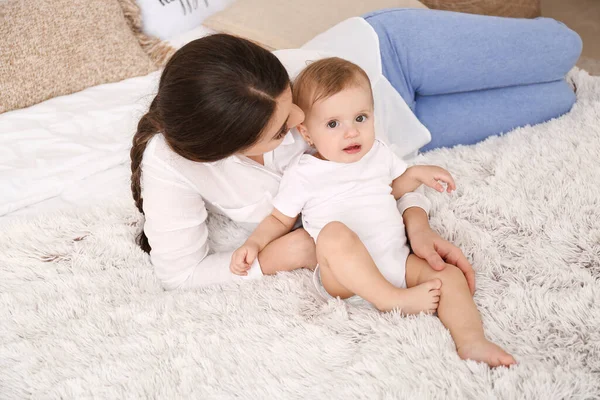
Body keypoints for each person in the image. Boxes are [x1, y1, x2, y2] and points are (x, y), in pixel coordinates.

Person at [130, 10, 581, 292]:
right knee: (561, 98)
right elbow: (180, 276)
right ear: (225, 150)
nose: (297, 124)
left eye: (293, 107)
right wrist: (280, 256)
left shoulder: (283, 78)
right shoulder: (174, 167)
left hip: (393, 57)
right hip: (418, 130)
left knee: (564, 49)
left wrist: (416, 222)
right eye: (279, 132)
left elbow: (381, 166)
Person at [229, 57, 516, 367]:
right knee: (333, 234)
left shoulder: (379, 152)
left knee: (449, 275)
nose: (351, 133)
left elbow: (395, 187)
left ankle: (472, 340)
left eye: (361, 118)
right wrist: (254, 244)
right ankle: (391, 300)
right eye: (333, 124)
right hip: (344, 279)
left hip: (398, 262)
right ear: (307, 133)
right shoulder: (303, 172)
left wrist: (418, 173)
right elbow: (278, 219)